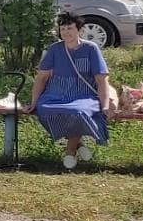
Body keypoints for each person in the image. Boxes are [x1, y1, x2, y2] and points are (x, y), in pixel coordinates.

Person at [28, 13, 113, 170]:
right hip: (56, 92)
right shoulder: (55, 49)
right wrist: (34, 102)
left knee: (76, 112)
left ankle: (69, 152)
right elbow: (41, 78)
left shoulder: (90, 48)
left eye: (70, 28)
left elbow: (101, 79)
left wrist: (105, 104)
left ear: (79, 30)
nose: (66, 32)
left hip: (83, 95)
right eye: (63, 28)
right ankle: (78, 143)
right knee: (43, 109)